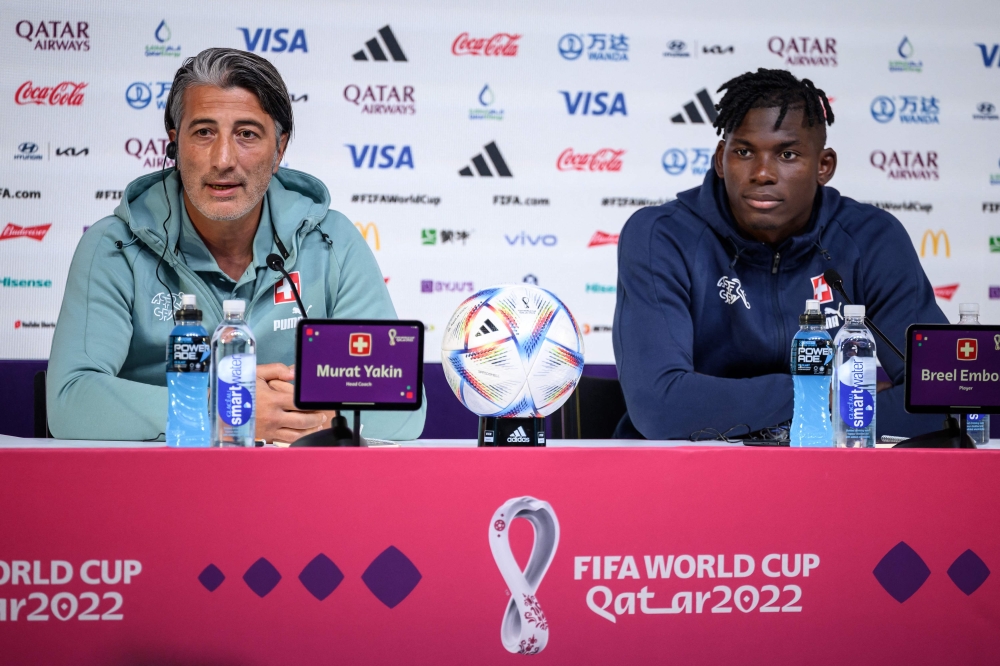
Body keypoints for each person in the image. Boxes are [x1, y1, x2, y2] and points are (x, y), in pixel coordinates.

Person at [47, 48, 426, 442]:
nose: (223, 159)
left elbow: (400, 408)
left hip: (296, 491)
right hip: (156, 489)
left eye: (246, 134)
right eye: (203, 132)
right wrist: (224, 411)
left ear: (279, 149)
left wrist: (306, 420)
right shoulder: (113, 247)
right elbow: (70, 402)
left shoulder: (332, 242)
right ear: (175, 146)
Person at [613, 68, 947, 441]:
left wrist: (790, 419)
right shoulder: (661, 236)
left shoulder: (871, 238)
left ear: (824, 166)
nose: (762, 173)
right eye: (743, 152)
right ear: (720, 159)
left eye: (787, 154)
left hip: (828, 473)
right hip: (692, 471)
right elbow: (661, 407)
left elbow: (942, 394)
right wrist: (828, 398)